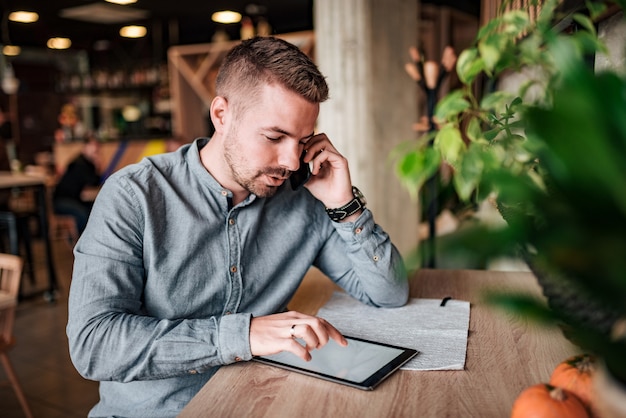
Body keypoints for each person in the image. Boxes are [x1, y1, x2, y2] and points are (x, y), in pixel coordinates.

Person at [66, 36, 409, 417]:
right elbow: (93, 344)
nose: (292, 162)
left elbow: (389, 293)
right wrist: (243, 335)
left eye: (302, 141)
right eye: (275, 137)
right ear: (221, 115)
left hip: (263, 403)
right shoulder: (133, 196)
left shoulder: (302, 200)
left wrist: (344, 205)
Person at [52, 137, 102, 234]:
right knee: (84, 215)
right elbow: (89, 186)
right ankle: (83, 244)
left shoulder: (88, 164)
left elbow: (95, 184)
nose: (95, 149)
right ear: (84, 148)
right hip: (63, 201)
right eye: (92, 146)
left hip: (76, 199)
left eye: (97, 147)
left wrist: (97, 166)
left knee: (96, 211)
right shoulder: (79, 164)